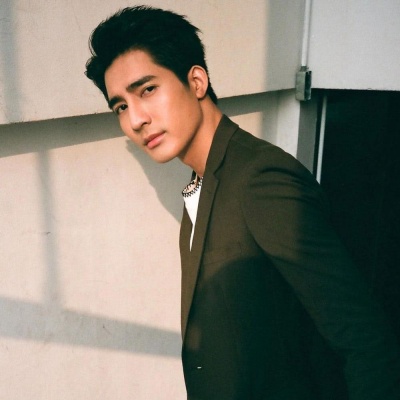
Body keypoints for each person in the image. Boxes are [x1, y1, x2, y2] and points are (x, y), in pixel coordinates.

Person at [85, 6, 400, 399]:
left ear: (196, 81)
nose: (136, 120)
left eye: (147, 90)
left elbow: (366, 342)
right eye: (121, 106)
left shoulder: (260, 180)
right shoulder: (204, 181)